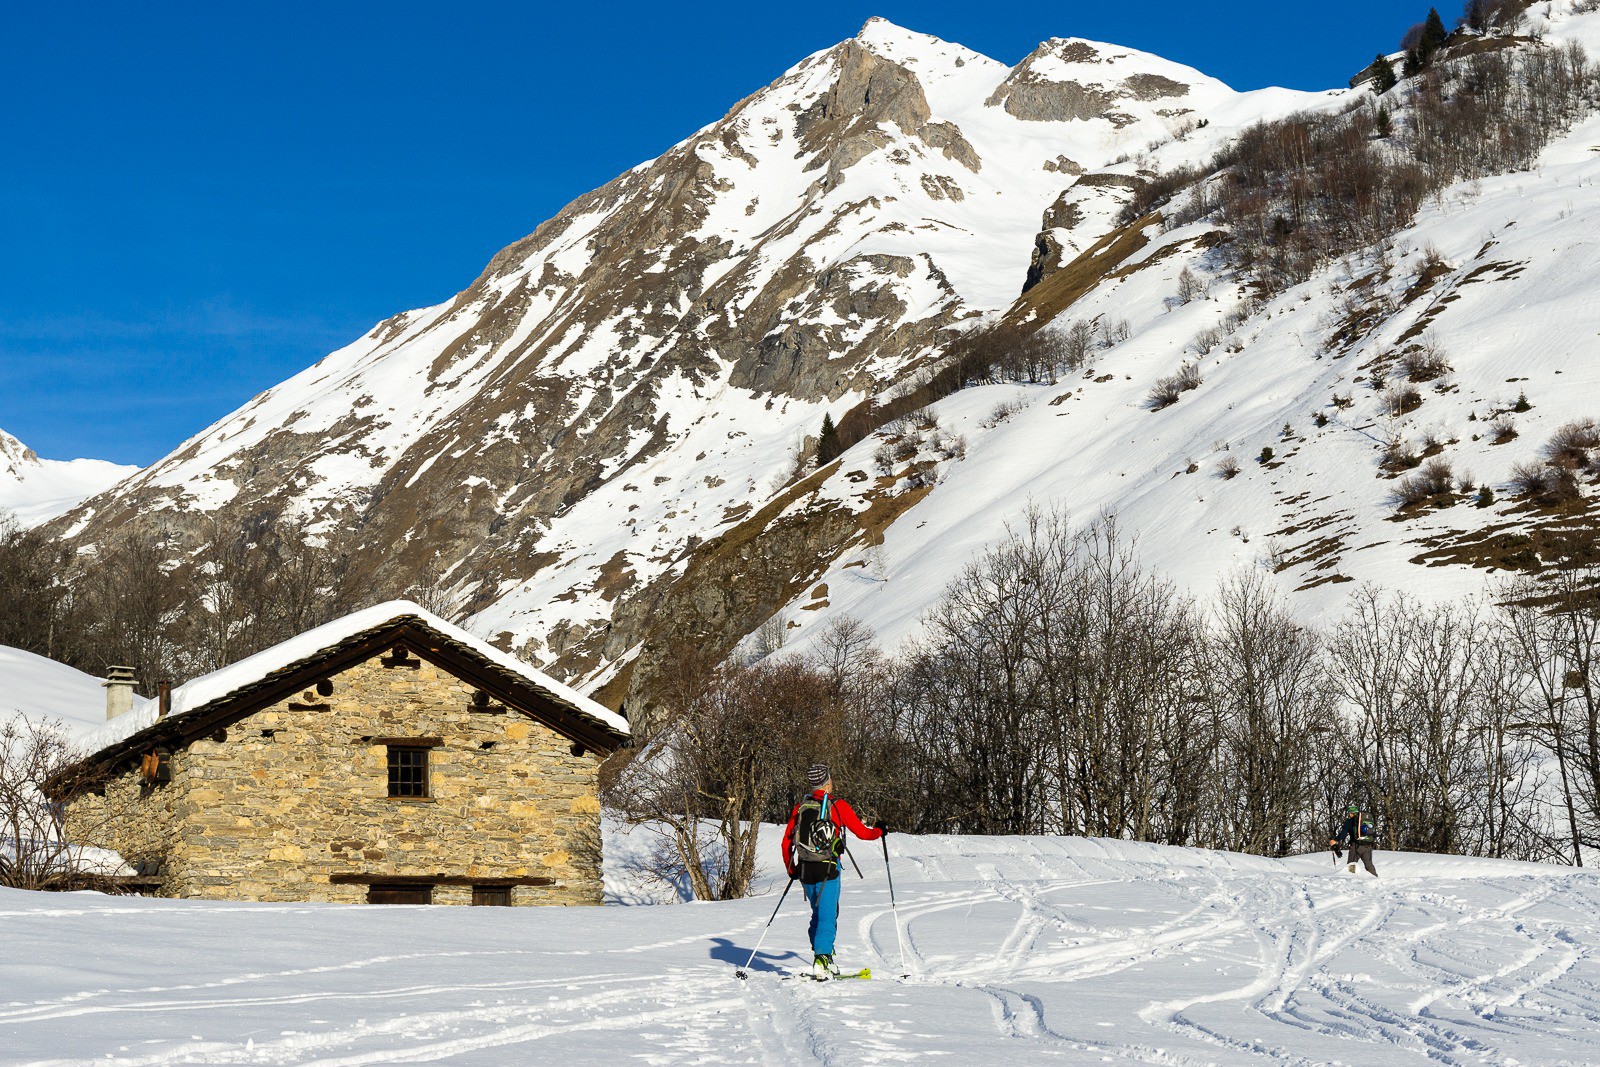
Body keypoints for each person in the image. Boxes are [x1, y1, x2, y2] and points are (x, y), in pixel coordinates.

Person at [781, 762, 885, 978]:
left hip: (805, 869)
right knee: (828, 916)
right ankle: (821, 959)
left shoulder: (801, 808)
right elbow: (863, 833)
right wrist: (880, 831)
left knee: (818, 914)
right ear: (827, 782)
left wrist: (791, 869)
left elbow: (786, 843)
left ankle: (825, 956)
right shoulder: (837, 806)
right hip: (828, 869)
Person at [1331, 801, 1378, 877]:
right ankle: (1375, 878)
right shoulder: (1365, 821)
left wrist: (1335, 840)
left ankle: (1351, 880)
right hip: (1368, 846)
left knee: (1351, 865)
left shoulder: (1349, 822)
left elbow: (1343, 834)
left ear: (1351, 813)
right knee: (1369, 865)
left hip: (1356, 846)